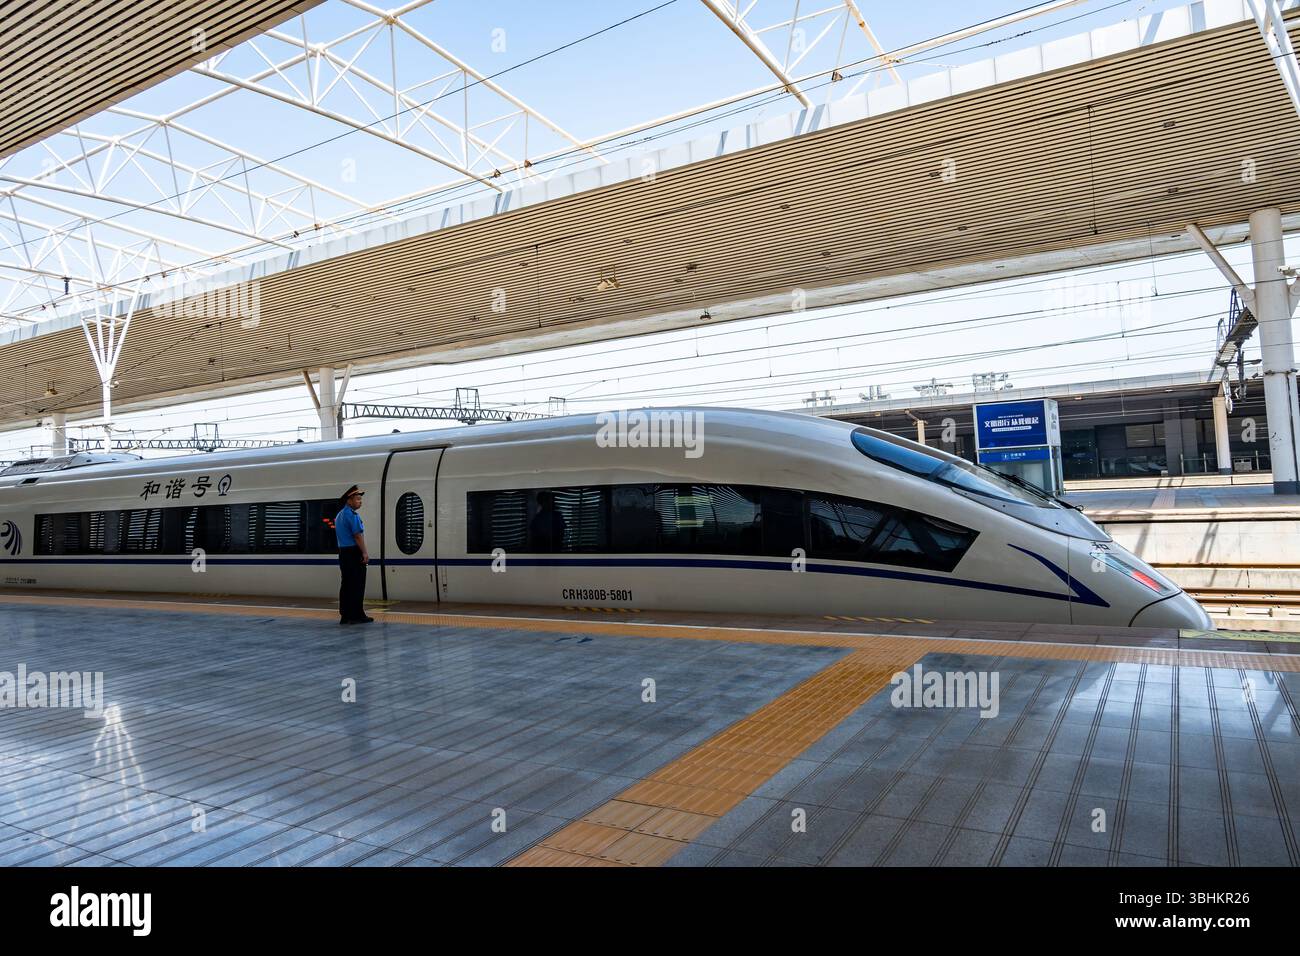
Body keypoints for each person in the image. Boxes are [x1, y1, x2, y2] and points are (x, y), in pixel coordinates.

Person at [335, 485, 374, 625]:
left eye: (360, 499)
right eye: (357, 499)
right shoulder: (352, 515)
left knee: (346, 584)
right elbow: (358, 536)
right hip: (353, 553)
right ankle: (357, 615)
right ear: (349, 500)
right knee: (357, 584)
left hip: (343, 553)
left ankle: (345, 615)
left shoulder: (339, 515)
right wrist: (364, 552)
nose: (360, 502)